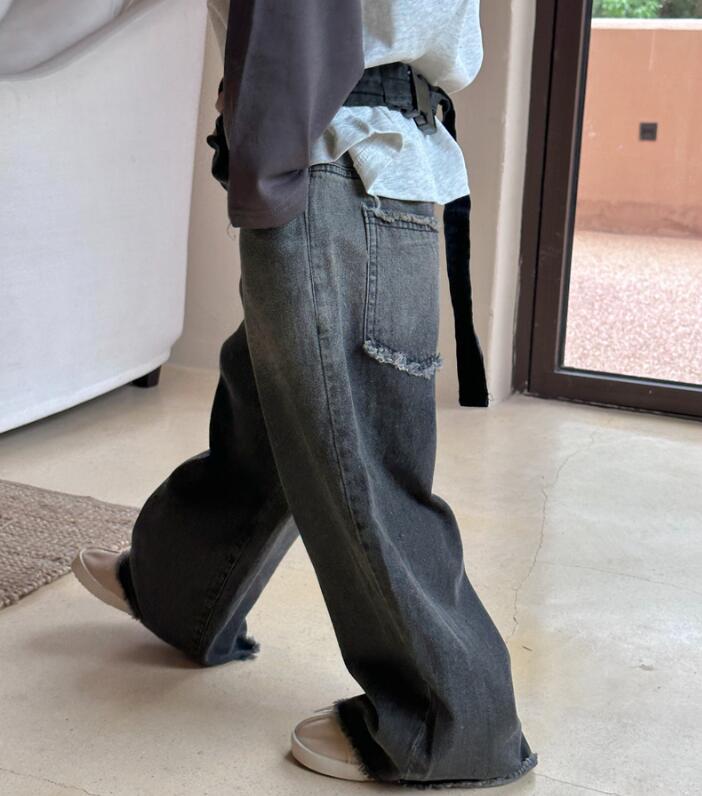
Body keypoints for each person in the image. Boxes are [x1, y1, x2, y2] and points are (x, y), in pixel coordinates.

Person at [72, 0, 538, 787]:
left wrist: (263, 151)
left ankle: (452, 721)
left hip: (331, 150)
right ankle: (179, 588)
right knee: (275, 403)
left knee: (354, 449)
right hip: (379, 146)